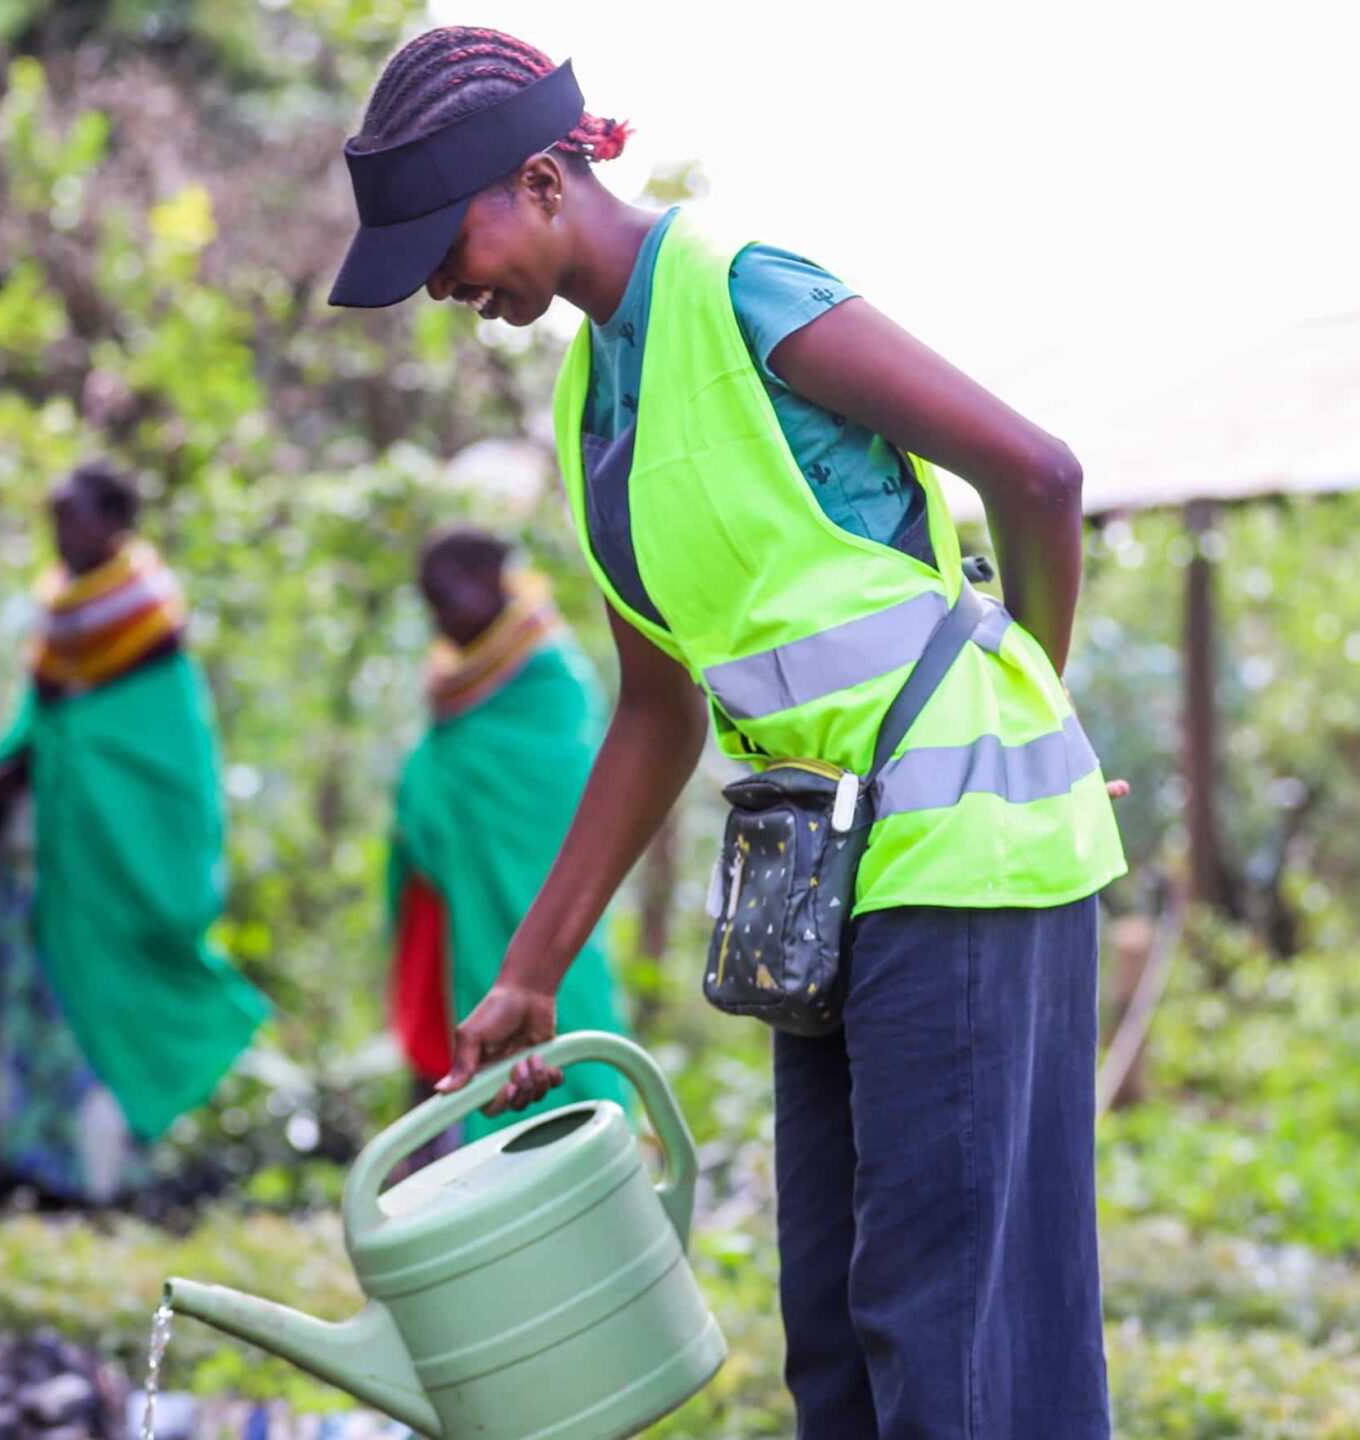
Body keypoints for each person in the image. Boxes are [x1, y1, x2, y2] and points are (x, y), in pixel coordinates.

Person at [330, 31, 1129, 1439]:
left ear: (539, 179)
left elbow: (1037, 472)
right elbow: (656, 710)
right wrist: (531, 972)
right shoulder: (594, 406)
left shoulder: (743, 287)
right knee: (832, 1320)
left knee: (942, 1321)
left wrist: (1029, 699)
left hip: (958, 847)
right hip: (827, 876)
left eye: (445, 244)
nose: (445, 286)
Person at [0, 461, 269, 1203]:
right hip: (61, 876)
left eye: (74, 517)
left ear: (117, 522)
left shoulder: (144, 624)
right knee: (41, 1014)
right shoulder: (65, 620)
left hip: (119, 862)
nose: (61, 534)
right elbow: (36, 741)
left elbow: (139, 752)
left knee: (107, 1015)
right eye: (54, 519)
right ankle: (41, 1168)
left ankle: (108, 1182)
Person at [386, 526, 631, 1149]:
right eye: (430, 604)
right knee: (442, 1020)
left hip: (536, 892)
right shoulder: (456, 679)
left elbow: (566, 797)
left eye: (448, 599)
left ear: (493, 582)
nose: (439, 620)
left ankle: (591, 1149)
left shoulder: (550, 679)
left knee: (566, 1006)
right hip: (453, 897)